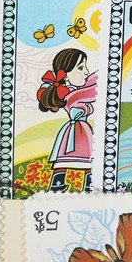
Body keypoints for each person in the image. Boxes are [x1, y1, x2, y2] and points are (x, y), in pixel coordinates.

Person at [38, 48, 97, 192]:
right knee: (86, 155)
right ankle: (64, 182)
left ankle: (63, 182)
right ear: (65, 75)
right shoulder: (69, 93)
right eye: (81, 68)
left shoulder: (76, 93)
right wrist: (85, 109)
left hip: (77, 129)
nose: (86, 72)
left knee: (68, 155)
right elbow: (76, 108)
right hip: (78, 131)